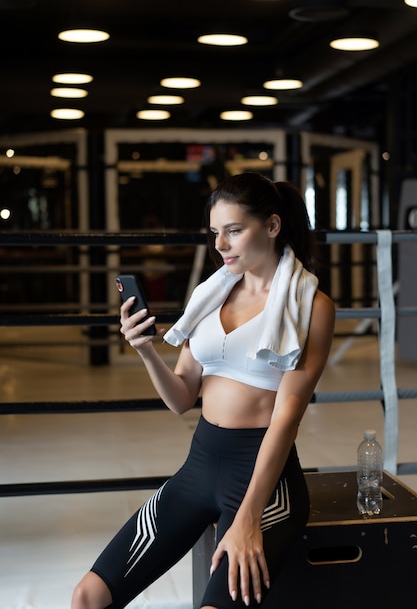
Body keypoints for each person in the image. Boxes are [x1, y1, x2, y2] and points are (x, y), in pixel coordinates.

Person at [72, 172, 335, 609]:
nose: (221, 244)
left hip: (262, 481)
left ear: (272, 226)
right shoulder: (210, 296)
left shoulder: (311, 307)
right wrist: (145, 350)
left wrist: (248, 518)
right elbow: (180, 398)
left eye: (234, 230)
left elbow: (287, 417)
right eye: (216, 232)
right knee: (88, 597)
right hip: (198, 467)